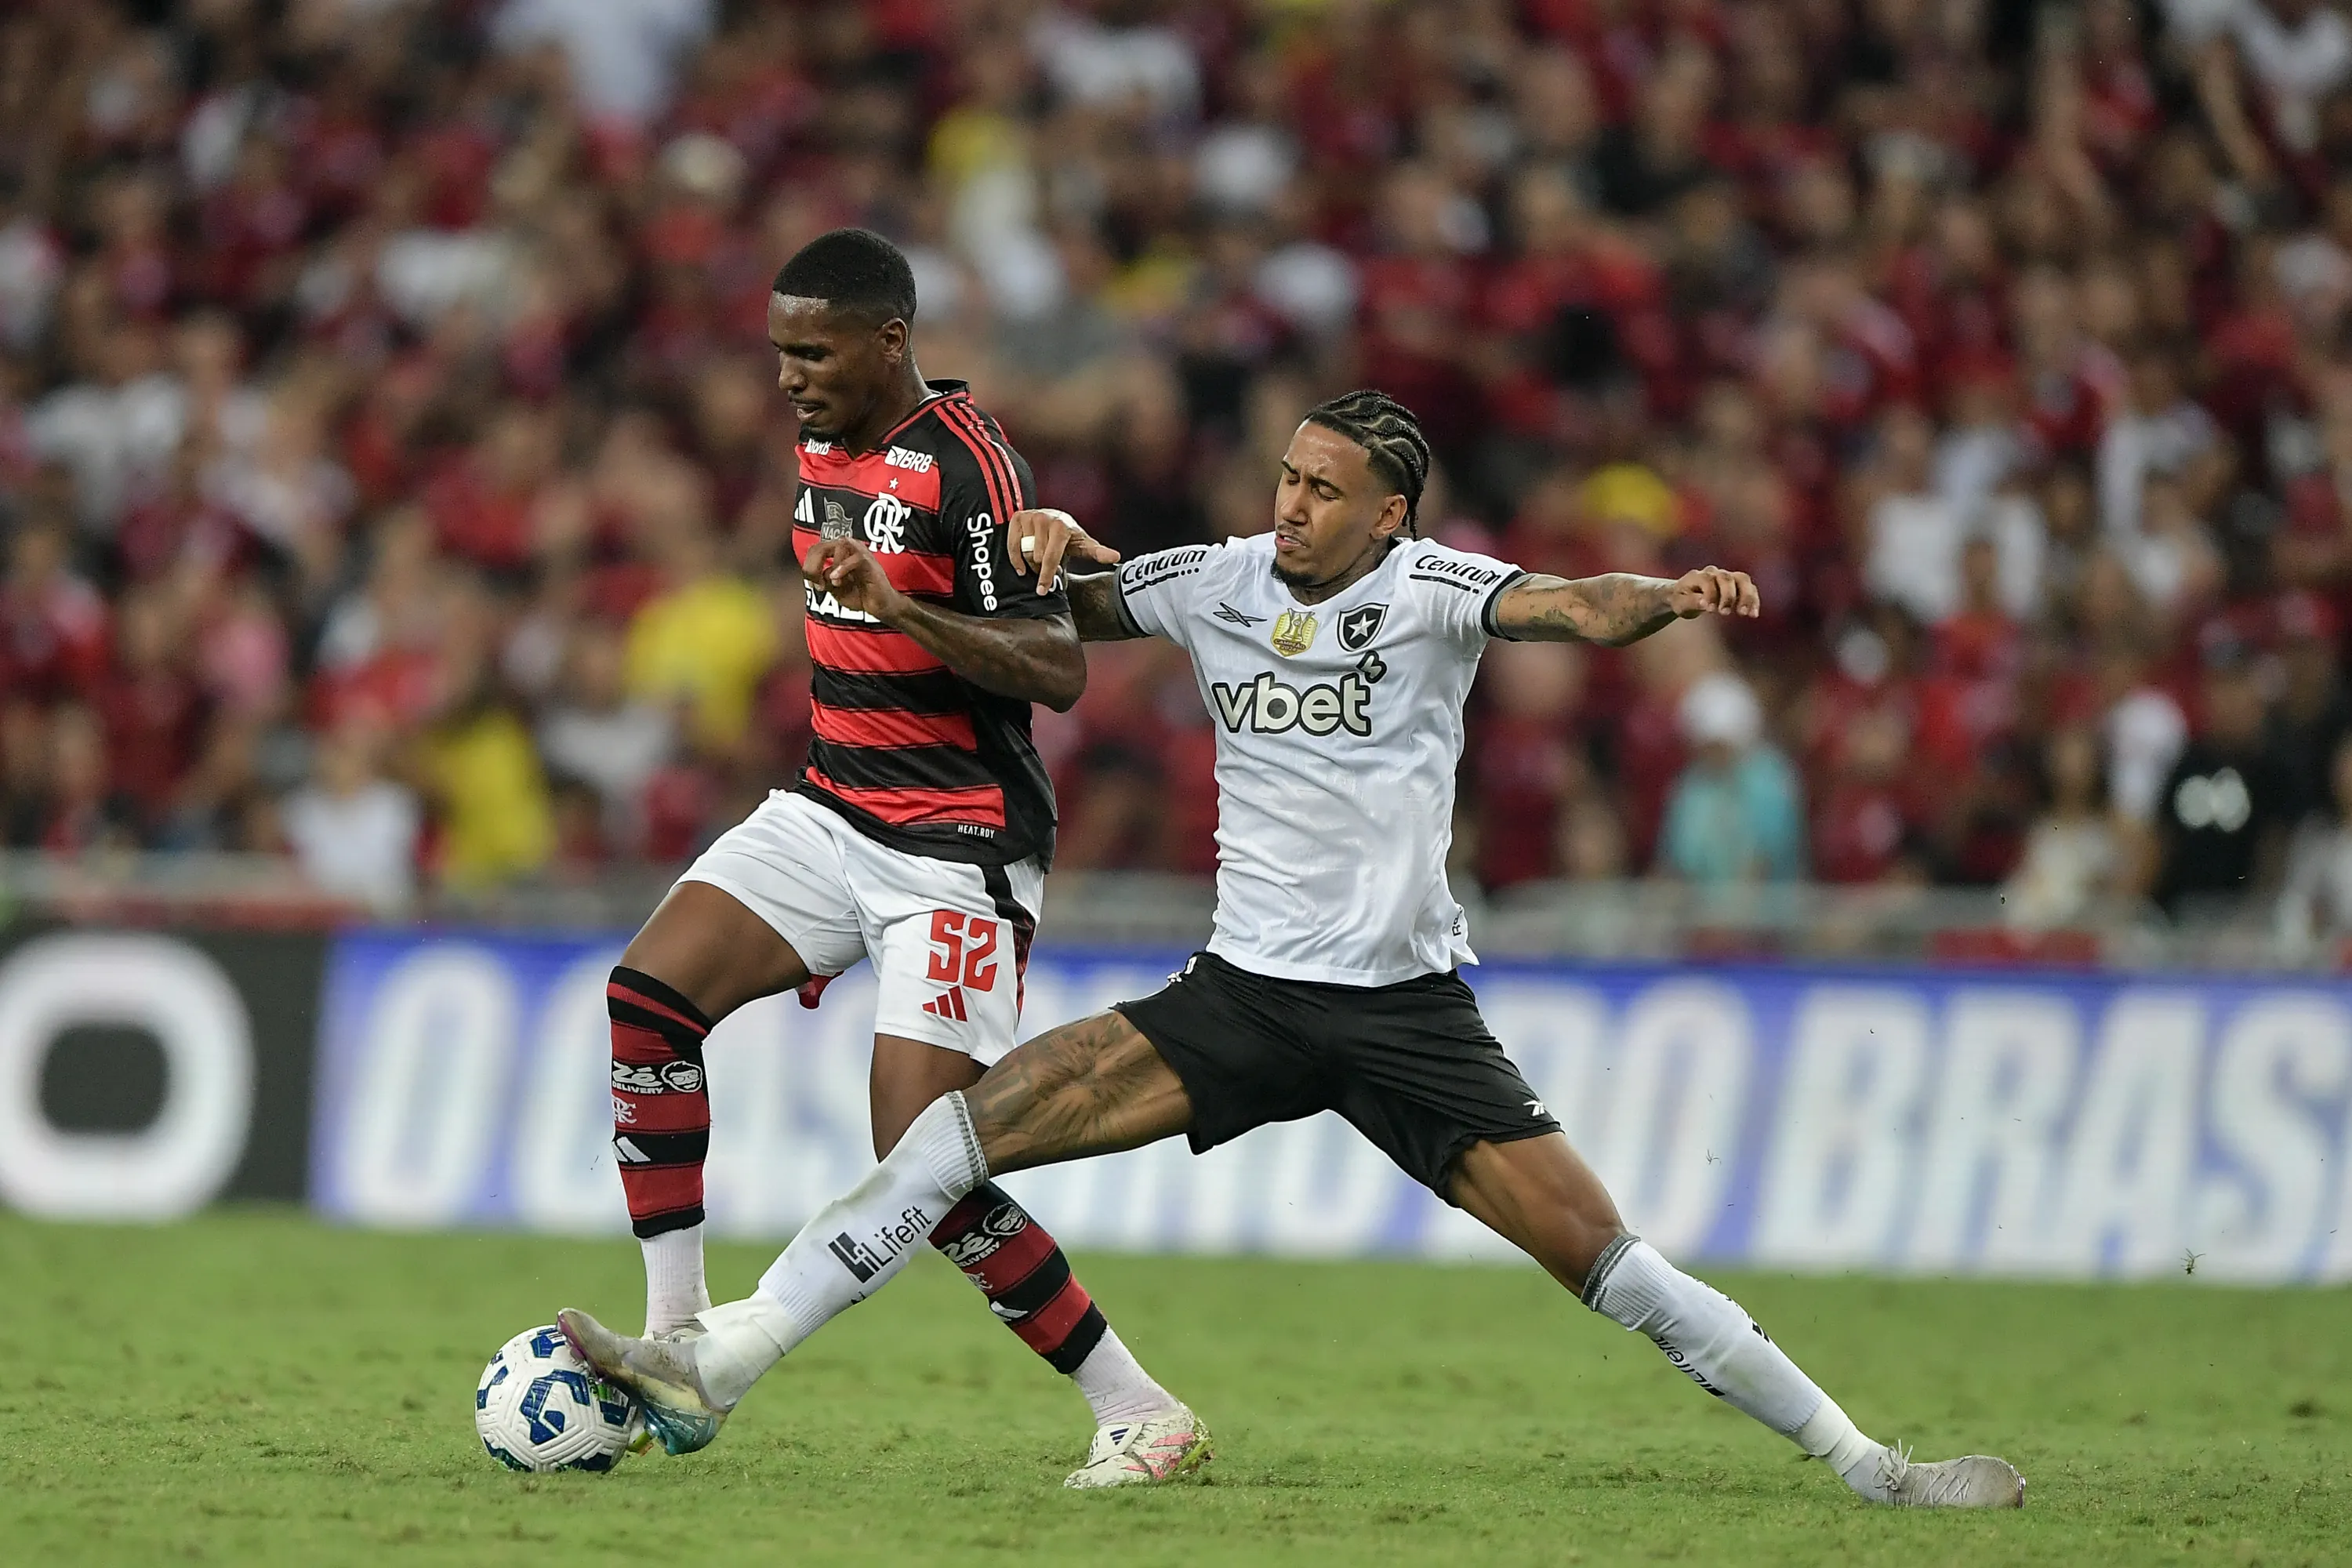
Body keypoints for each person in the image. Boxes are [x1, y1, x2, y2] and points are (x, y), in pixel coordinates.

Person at [563, 390, 2027, 1508]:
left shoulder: (1440, 594)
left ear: (1391, 514)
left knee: (1614, 1265)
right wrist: (1043, 555)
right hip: (1244, 998)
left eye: (1327, 491)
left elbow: (1575, 605)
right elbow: (1057, 623)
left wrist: (1671, 597)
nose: (1295, 507)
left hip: (1403, 1016)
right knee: (955, 1136)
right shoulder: (1215, 578)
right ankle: (723, 1359)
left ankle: (1879, 1472)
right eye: (1288, 478)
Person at [596, 228, 1191, 1486]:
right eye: (777, 353)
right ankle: (673, 1341)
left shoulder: (971, 469)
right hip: (830, 810)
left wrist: (906, 607)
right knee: (646, 999)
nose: (789, 378)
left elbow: (1057, 668)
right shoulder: (825, 437)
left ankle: (1138, 1406)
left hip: (956, 848)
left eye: (812, 353)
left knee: (922, 1157)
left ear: (889, 342)